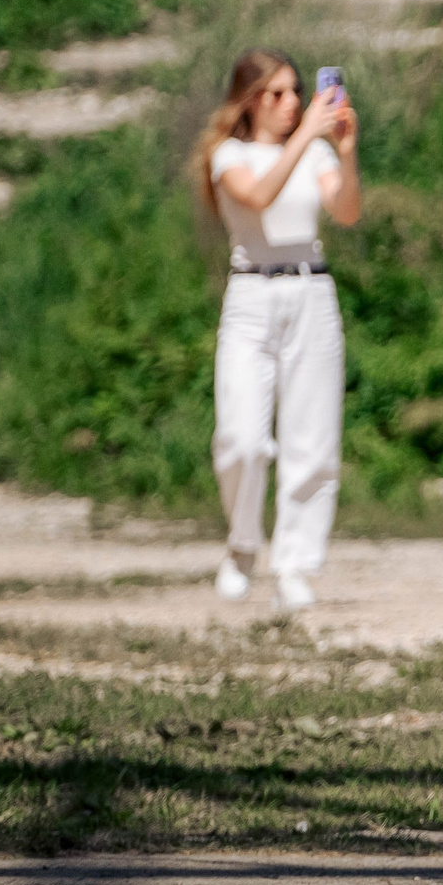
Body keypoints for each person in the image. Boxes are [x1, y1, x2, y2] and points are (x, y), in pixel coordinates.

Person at [195, 50, 363, 611]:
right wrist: (306, 138)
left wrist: (344, 150)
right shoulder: (229, 155)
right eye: (278, 94)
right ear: (250, 100)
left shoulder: (313, 150)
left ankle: (296, 562)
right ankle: (243, 543)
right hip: (251, 293)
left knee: (311, 437)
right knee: (240, 437)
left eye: (296, 92)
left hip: (311, 289)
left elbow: (345, 211)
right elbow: (258, 197)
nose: (292, 103)